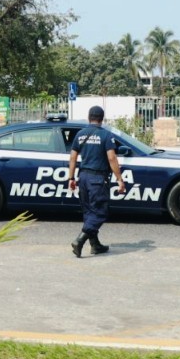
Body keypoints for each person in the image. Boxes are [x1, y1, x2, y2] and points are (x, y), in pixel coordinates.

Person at [67, 105, 126, 257]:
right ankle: (80, 240)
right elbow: (112, 158)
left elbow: (73, 157)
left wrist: (71, 178)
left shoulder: (80, 134)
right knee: (100, 212)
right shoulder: (105, 135)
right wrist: (120, 179)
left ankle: (95, 245)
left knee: (89, 212)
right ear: (102, 119)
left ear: (89, 117)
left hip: (83, 178)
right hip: (97, 179)